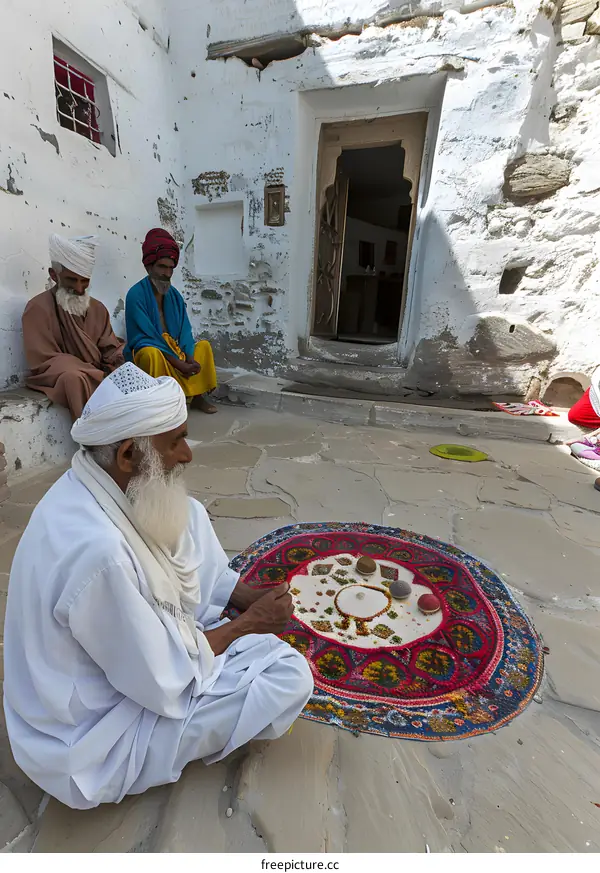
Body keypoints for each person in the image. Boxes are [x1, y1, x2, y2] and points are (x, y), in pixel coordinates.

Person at [3, 363, 313, 810]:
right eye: (176, 442)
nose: (188, 454)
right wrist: (249, 624)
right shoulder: (99, 555)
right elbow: (168, 683)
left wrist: (240, 597)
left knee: (183, 510)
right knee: (287, 676)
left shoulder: (91, 480)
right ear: (128, 454)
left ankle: (218, 607)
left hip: (125, 667)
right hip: (85, 740)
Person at [22, 234, 125, 420]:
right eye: (71, 280)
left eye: (84, 281)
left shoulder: (98, 309)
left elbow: (111, 349)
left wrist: (118, 361)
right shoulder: (37, 308)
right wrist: (91, 371)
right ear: (54, 275)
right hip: (57, 376)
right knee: (73, 378)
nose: (79, 288)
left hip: (95, 372)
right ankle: (91, 441)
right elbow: (43, 361)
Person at [125, 228, 218, 414]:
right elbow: (146, 337)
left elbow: (184, 330)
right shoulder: (135, 294)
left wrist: (189, 358)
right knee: (151, 353)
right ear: (149, 267)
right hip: (154, 352)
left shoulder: (174, 295)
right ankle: (160, 405)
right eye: (162, 267)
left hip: (176, 351)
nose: (167, 273)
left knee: (204, 347)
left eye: (170, 268)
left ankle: (197, 396)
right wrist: (178, 363)